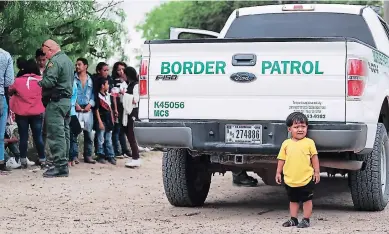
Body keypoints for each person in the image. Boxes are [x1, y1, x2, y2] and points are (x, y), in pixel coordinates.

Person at [275, 112, 320, 228]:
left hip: (306, 179)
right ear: (289, 129)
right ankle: (293, 219)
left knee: (307, 200)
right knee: (293, 200)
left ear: (307, 128)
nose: (300, 129)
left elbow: (314, 158)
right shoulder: (286, 144)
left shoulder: (309, 143)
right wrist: (278, 172)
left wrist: (316, 172)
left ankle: (306, 219)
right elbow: (281, 159)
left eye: (303, 126)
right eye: (296, 127)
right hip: (290, 179)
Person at [39, 39, 73, 178]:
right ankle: (63, 163)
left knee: (55, 134)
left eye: (44, 52)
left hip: (56, 102)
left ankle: (60, 167)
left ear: (50, 49)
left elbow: (50, 81)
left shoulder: (55, 61)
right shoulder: (68, 60)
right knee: (64, 133)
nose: (44, 55)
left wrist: (40, 81)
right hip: (66, 102)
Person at [9, 59, 46, 168]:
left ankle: (23, 160)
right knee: (38, 136)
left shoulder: (18, 81)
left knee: (23, 137)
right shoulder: (41, 80)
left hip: (21, 113)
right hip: (37, 112)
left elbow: (10, 91)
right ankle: (42, 159)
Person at [70, 58, 96, 164]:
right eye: (76, 65)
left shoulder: (91, 79)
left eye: (79, 64)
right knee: (73, 134)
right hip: (75, 109)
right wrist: (75, 104)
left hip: (87, 110)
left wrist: (90, 104)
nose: (77, 66)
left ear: (85, 66)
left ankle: (88, 155)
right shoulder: (72, 78)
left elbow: (94, 93)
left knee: (88, 134)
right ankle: (74, 156)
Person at [121, 66, 141, 168]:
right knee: (129, 135)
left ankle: (136, 158)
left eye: (124, 73)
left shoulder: (136, 85)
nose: (122, 75)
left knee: (131, 135)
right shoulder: (129, 85)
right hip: (128, 112)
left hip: (133, 112)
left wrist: (124, 95)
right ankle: (134, 156)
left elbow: (135, 99)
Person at [111, 61, 131, 159]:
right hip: (118, 106)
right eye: (119, 70)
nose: (121, 71)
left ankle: (125, 150)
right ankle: (117, 150)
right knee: (117, 129)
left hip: (125, 106)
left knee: (122, 129)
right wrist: (115, 109)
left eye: (123, 69)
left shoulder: (126, 81)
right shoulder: (115, 81)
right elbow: (114, 96)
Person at [94, 77, 116, 165]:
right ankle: (100, 155)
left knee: (108, 139)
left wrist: (112, 119)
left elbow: (110, 108)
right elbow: (97, 110)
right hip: (102, 120)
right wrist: (99, 122)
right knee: (100, 139)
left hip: (108, 120)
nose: (108, 85)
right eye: (107, 84)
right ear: (103, 86)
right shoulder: (97, 96)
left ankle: (110, 155)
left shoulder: (107, 95)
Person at [0, 48, 14, 172]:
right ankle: (1, 162)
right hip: (0, 96)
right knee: (0, 133)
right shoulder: (5, 55)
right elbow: (9, 81)